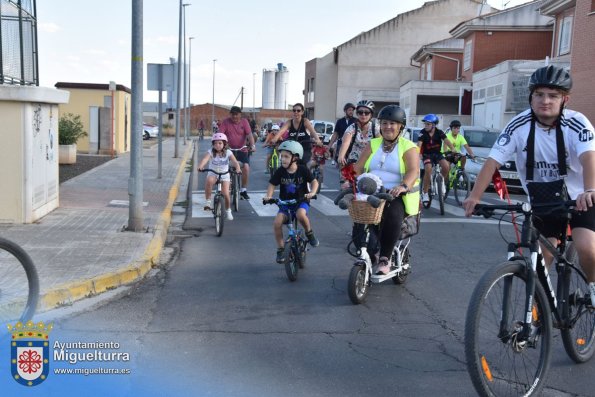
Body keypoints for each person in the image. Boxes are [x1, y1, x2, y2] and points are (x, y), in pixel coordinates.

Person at [462, 64, 595, 306]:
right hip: (543, 200)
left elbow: (588, 158)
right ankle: (541, 310)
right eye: (539, 94)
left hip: (579, 197)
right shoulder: (518, 125)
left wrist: (589, 190)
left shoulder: (577, 123)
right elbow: (492, 162)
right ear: (531, 97)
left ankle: (594, 288)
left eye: (553, 96)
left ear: (565, 99)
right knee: (538, 261)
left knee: (587, 248)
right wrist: (475, 197)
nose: (546, 101)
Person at [354, 105, 420, 274]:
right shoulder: (373, 144)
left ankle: (384, 257)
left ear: (401, 127)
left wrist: (403, 186)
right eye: (384, 123)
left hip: (395, 194)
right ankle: (369, 251)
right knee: (360, 217)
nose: (388, 127)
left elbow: (414, 170)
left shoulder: (409, 146)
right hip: (371, 191)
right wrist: (354, 181)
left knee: (392, 213)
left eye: (392, 123)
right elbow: (358, 167)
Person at [263, 140, 320, 263]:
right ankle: (281, 249)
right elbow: (272, 184)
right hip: (285, 204)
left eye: (286, 157)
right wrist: (269, 196)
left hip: (301, 201)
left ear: (295, 157)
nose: (282, 159)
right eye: (281, 156)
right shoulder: (280, 171)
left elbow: (314, 181)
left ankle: (309, 233)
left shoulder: (303, 170)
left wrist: (312, 192)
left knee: (300, 215)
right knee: (277, 223)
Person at [197, 133, 242, 221]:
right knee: (209, 181)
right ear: (213, 144)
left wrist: (238, 168)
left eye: (220, 143)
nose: (217, 145)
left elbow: (235, 162)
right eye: (215, 143)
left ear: (224, 144)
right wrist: (200, 166)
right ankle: (208, 202)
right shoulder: (210, 152)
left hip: (224, 174)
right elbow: (205, 159)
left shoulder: (228, 152)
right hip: (213, 173)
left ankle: (228, 211)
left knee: (226, 193)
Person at [417, 113, 456, 204]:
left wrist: (453, 149)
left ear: (434, 125)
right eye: (425, 124)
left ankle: (441, 180)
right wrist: (418, 153)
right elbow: (419, 145)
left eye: (428, 124)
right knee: (428, 169)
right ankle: (425, 193)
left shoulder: (439, 132)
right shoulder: (422, 133)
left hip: (437, 154)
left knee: (446, 166)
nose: (426, 126)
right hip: (427, 155)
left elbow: (447, 141)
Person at [218, 106, 255, 200]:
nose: (234, 116)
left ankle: (243, 190)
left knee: (246, 167)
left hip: (242, 150)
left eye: (236, 114)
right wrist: (220, 145)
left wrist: (253, 145)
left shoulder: (244, 122)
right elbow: (220, 134)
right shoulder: (226, 122)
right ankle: (227, 185)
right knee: (225, 169)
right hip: (229, 150)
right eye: (233, 114)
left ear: (240, 114)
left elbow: (250, 135)